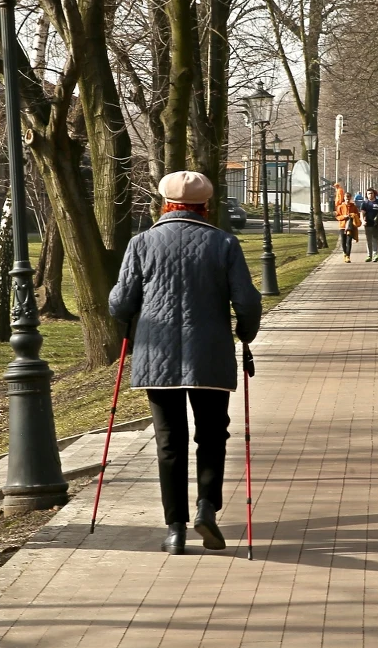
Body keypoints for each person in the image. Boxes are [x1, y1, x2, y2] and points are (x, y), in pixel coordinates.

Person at [109, 170, 262, 555]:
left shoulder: (142, 243)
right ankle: (206, 508)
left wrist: (127, 301)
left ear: (165, 204)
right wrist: (245, 334)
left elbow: (120, 304)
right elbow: (247, 300)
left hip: (156, 357)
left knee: (169, 442)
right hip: (209, 354)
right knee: (212, 435)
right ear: (205, 206)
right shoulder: (224, 243)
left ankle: (174, 529)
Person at [333, 184, 361, 263]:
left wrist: (353, 215)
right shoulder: (340, 207)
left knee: (349, 241)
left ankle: (348, 256)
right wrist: (344, 216)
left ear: (350, 198)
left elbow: (357, 215)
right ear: (344, 198)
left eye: (348, 198)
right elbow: (338, 217)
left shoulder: (353, 206)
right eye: (346, 198)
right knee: (343, 241)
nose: (347, 199)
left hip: (350, 226)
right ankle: (344, 253)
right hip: (342, 226)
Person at [360, 188, 378, 262]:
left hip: (376, 225)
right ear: (366, 195)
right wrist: (362, 221)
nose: (370, 195)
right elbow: (362, 213)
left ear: (374, 194)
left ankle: (375, 254)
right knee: (368, 240)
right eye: (368, 193)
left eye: (371, 193)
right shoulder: (365, 203)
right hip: (368, 224)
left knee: (375, 239)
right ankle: (369, 255)